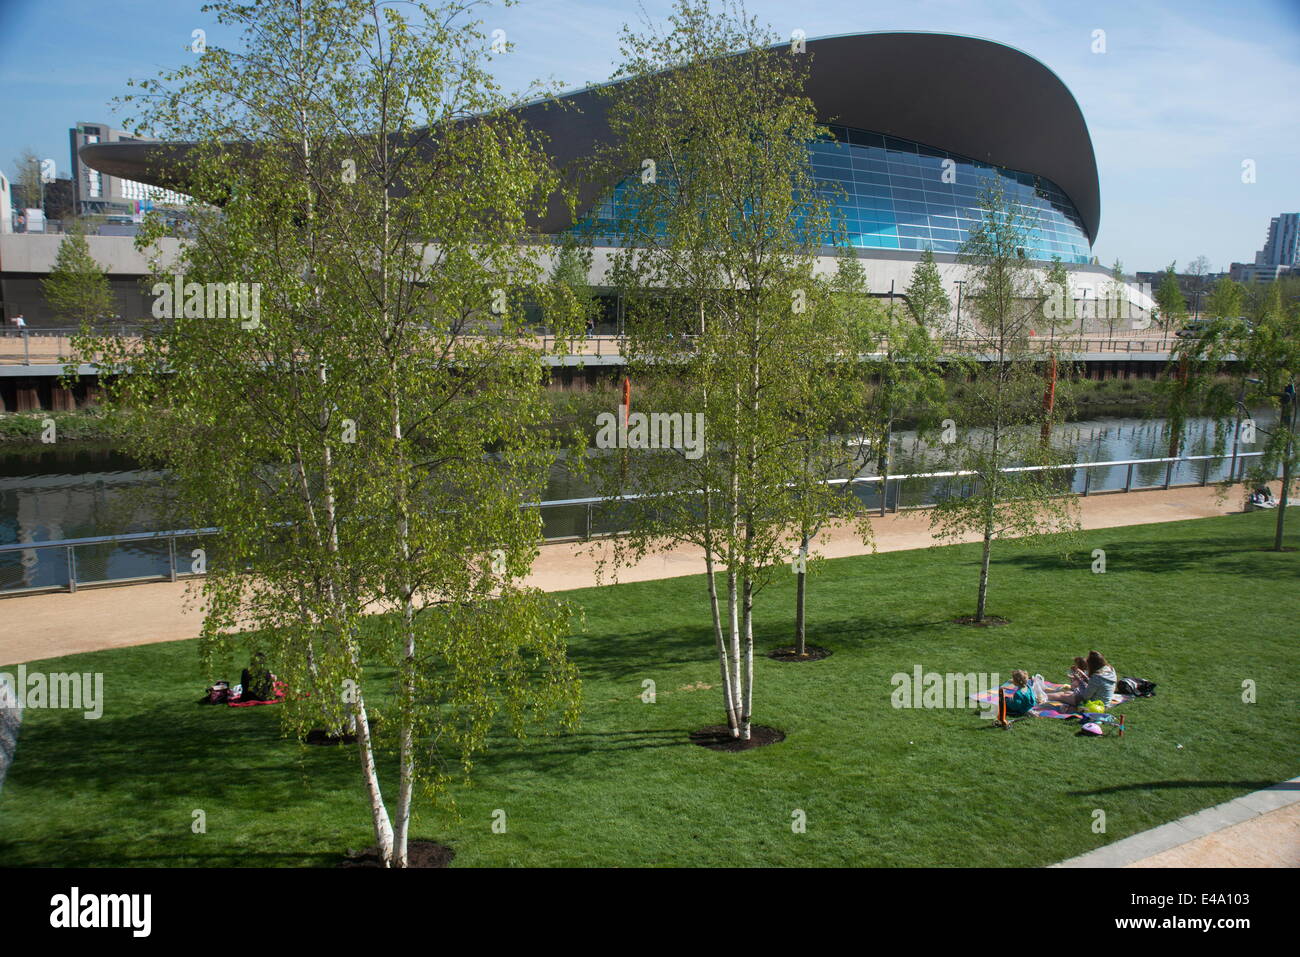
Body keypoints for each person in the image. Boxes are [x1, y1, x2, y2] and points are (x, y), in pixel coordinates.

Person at [1048, 651, 1116, 709]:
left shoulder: (1096, 677)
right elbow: (1098, 685)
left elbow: (1085, 697)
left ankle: (1040, 697)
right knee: (1068, 693)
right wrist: (1084, 677)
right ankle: (1043, 695)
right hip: (1105, 702)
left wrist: (1080, 680)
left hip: (1095, 705)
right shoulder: (1110, 669)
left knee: (1061, 695)